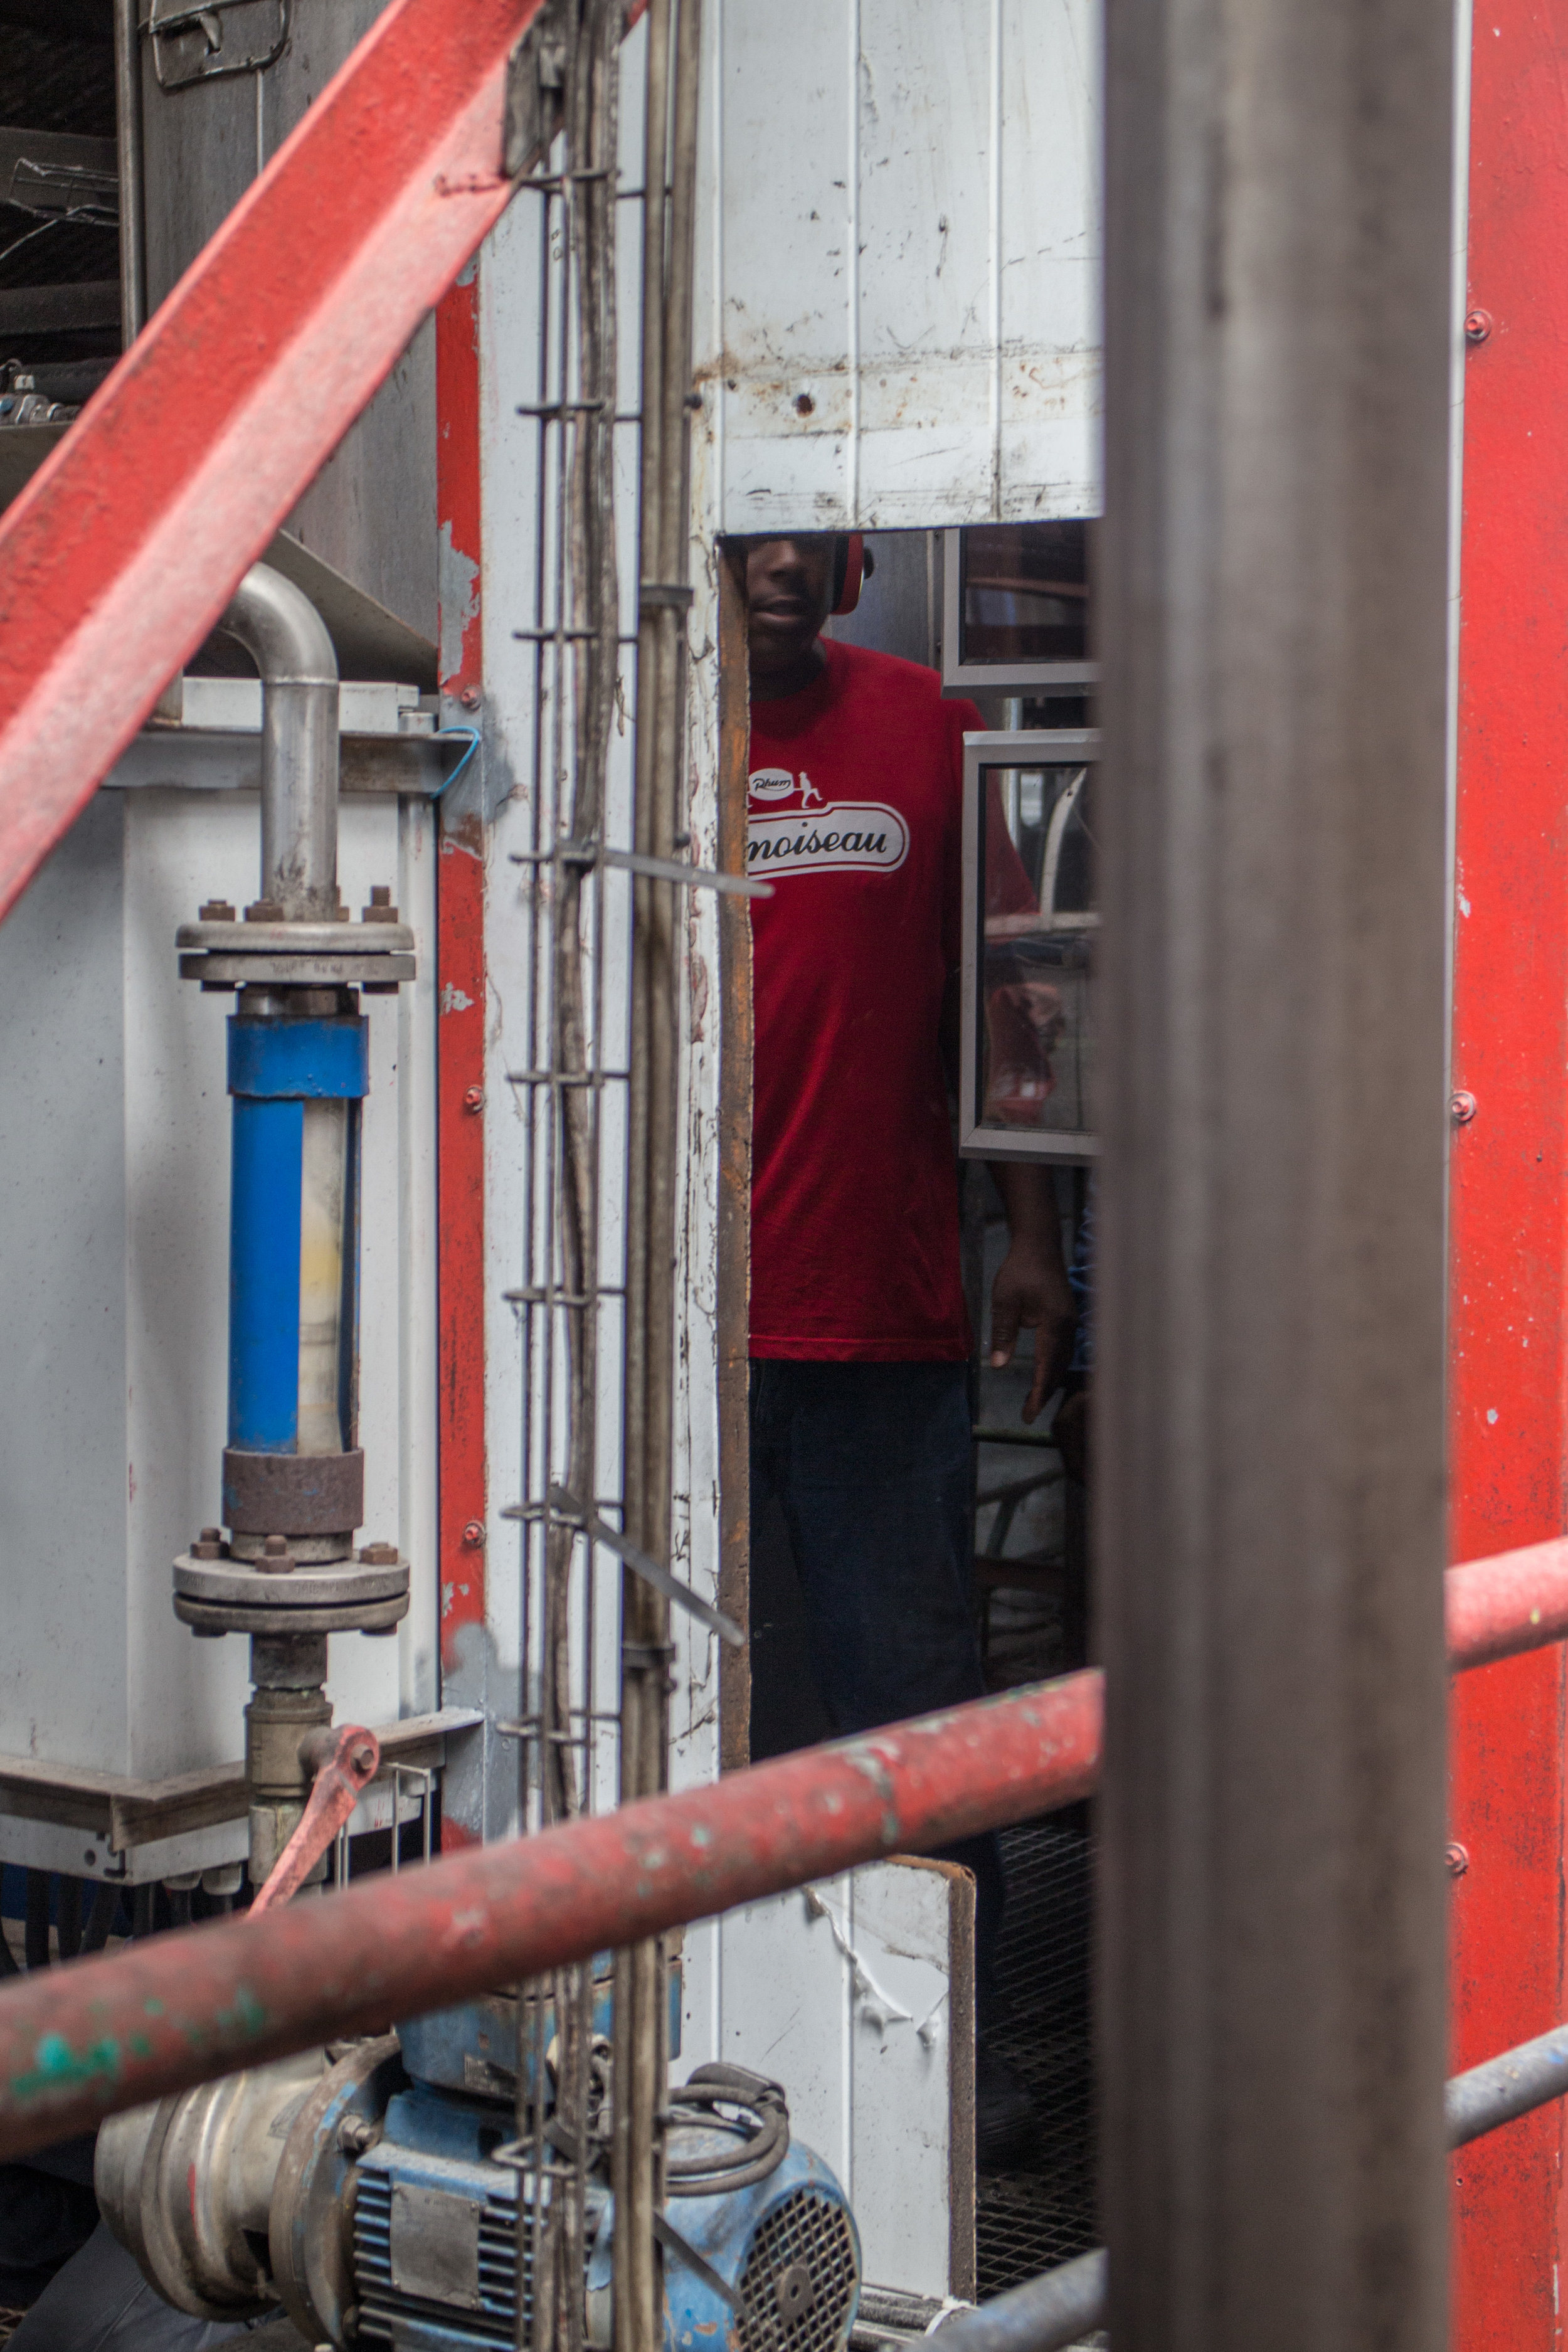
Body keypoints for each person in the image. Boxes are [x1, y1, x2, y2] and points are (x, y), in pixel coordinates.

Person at [743, 533, 1076, 2169]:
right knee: (723, 1709)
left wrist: (1026, 1238)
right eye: (751, 532)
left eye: (811, 532)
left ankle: (956, 2059)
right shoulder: (628, 732)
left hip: (881, 1315)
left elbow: (1004, 1001)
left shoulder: (930, 728)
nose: (781, 563)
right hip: (677, 1338)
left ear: (859, 555)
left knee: (911, 1699)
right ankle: (738, 2057)